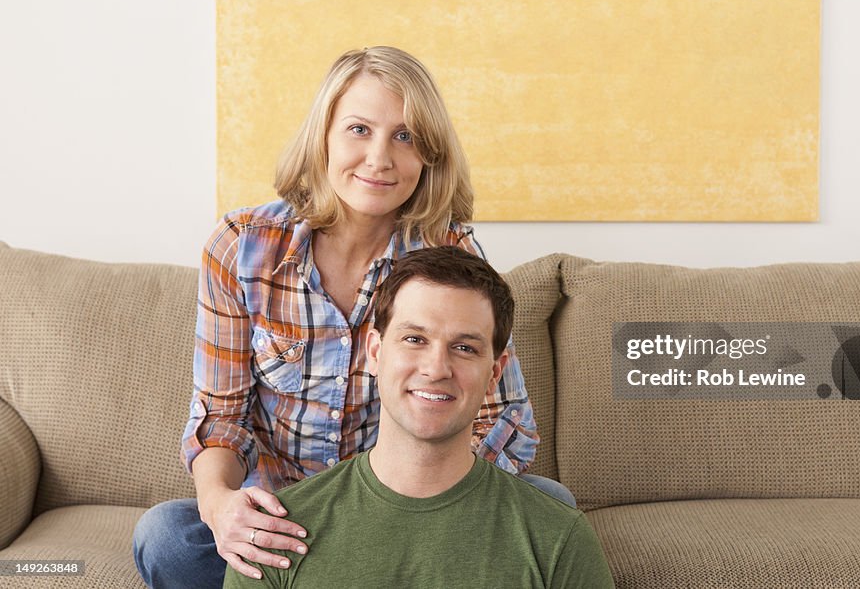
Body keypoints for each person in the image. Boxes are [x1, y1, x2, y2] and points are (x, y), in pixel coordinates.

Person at [133, 47, 573, 589]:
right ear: (323, 137)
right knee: (167, 537)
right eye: (359, 129)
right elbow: (221, 417)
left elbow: (503, 420)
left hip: (411, 510)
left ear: (429, 157)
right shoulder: (242, 247)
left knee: (553, 505)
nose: (380, 158)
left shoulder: (446, 250)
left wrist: (406, 507)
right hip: (284, 519)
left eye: (406, 137)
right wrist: (222, 505)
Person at [223, 246, 614, 588]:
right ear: (375, 353)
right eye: (415, 339)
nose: (436, 367)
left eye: (464, 347)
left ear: (495, 373)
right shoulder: (272, 535)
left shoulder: (559, 537)